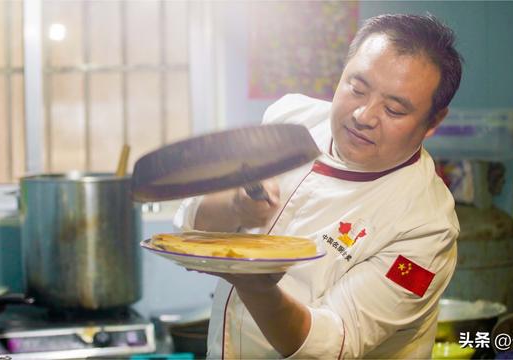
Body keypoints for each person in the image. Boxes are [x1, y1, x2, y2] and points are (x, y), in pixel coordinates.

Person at [174, 13, 463, 359]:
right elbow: (191, 231)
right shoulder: (291, 120)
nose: (364, 116)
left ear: (434, 121)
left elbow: (334, 346)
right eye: (356, 88)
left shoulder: (427, 228)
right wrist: (235, 206)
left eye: (394, 109)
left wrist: (254, 283)